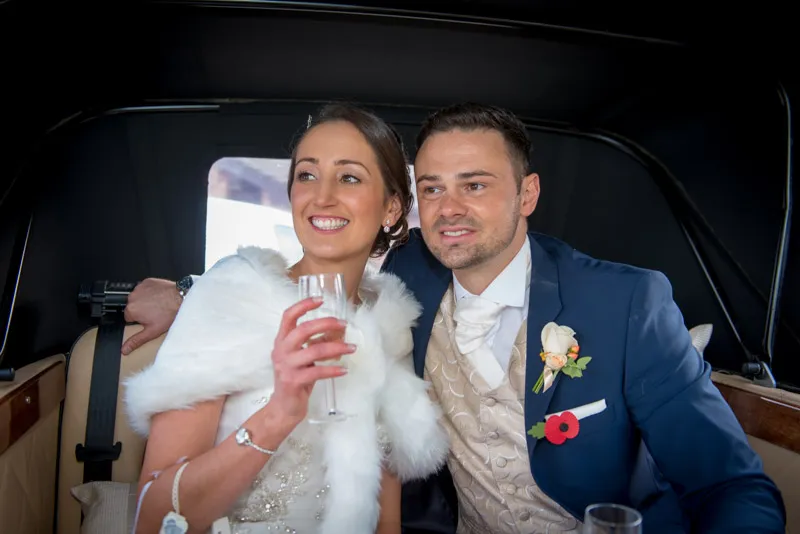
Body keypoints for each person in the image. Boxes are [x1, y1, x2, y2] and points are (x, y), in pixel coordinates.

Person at [122, 102, 786, 534]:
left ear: (527, 194)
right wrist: (185, 293)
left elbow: (734, 488)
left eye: (476, 185)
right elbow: (280, 289)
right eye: (433, 188)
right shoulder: (409, 286)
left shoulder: (627, 304)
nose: (449, 209)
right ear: (411, 208)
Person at [123, 103, 449, 534]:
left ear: (391, 208)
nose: (322, 196)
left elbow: (385, 517)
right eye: (307, 175)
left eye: (349, 177)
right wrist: (279, 413)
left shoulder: (390, 325)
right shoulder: (229, 296)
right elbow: (151, 517)